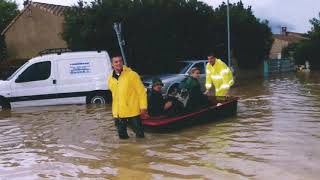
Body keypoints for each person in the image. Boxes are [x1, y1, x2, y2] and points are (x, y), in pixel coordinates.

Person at [108, 56, 148, 139]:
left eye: (120, 61)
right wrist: (114, 112)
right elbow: (114, 96)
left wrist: (143, 108)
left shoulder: (132, 75)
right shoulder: (110, 78)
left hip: (133, 111)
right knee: (123, 139)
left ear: (122, 62)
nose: (118, 63)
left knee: (140, 136)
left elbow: (141, 92)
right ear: (112, 64)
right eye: (116, 62)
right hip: (118, 112)